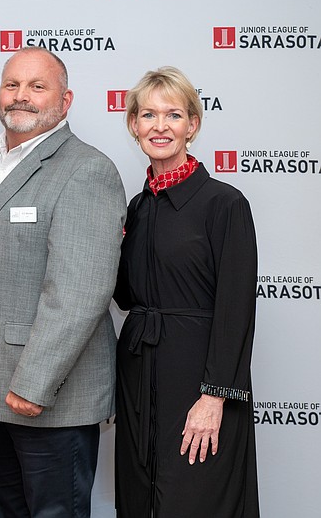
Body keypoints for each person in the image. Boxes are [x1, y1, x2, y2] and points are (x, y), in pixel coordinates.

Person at [0, 46, 126, 518]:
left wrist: (34, 385)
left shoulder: (86, 170)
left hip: (49, 398)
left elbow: (79, 293)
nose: (21, 97)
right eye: (12, 85)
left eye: (37, 86)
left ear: (65, 100)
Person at [113, 66, 259, 517]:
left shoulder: (224, 203)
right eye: (149, 115)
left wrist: (214, 397)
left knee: (194, 501)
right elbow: (125, 297)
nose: (160, 126)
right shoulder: (137, 207)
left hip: (199, 384)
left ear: (192, 125)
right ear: (134, 124)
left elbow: (235, 310)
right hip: (140, 379)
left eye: (173, 115)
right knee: (139, 501)